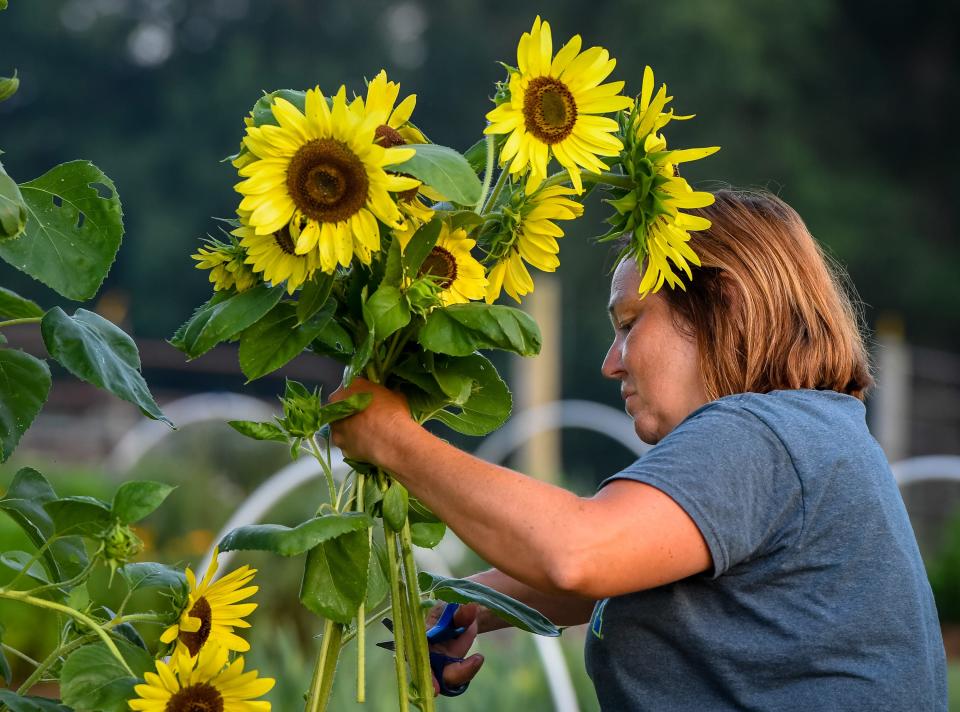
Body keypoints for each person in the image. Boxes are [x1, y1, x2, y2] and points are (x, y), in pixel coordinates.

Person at [330, 189, 948, 711]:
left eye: (629, 324)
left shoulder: (761, 433)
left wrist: (391, 438)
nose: (610, 363)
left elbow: (579, 552)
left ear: (721, 308)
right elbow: (625, 571)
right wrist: (474, 604)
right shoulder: (810, 431)